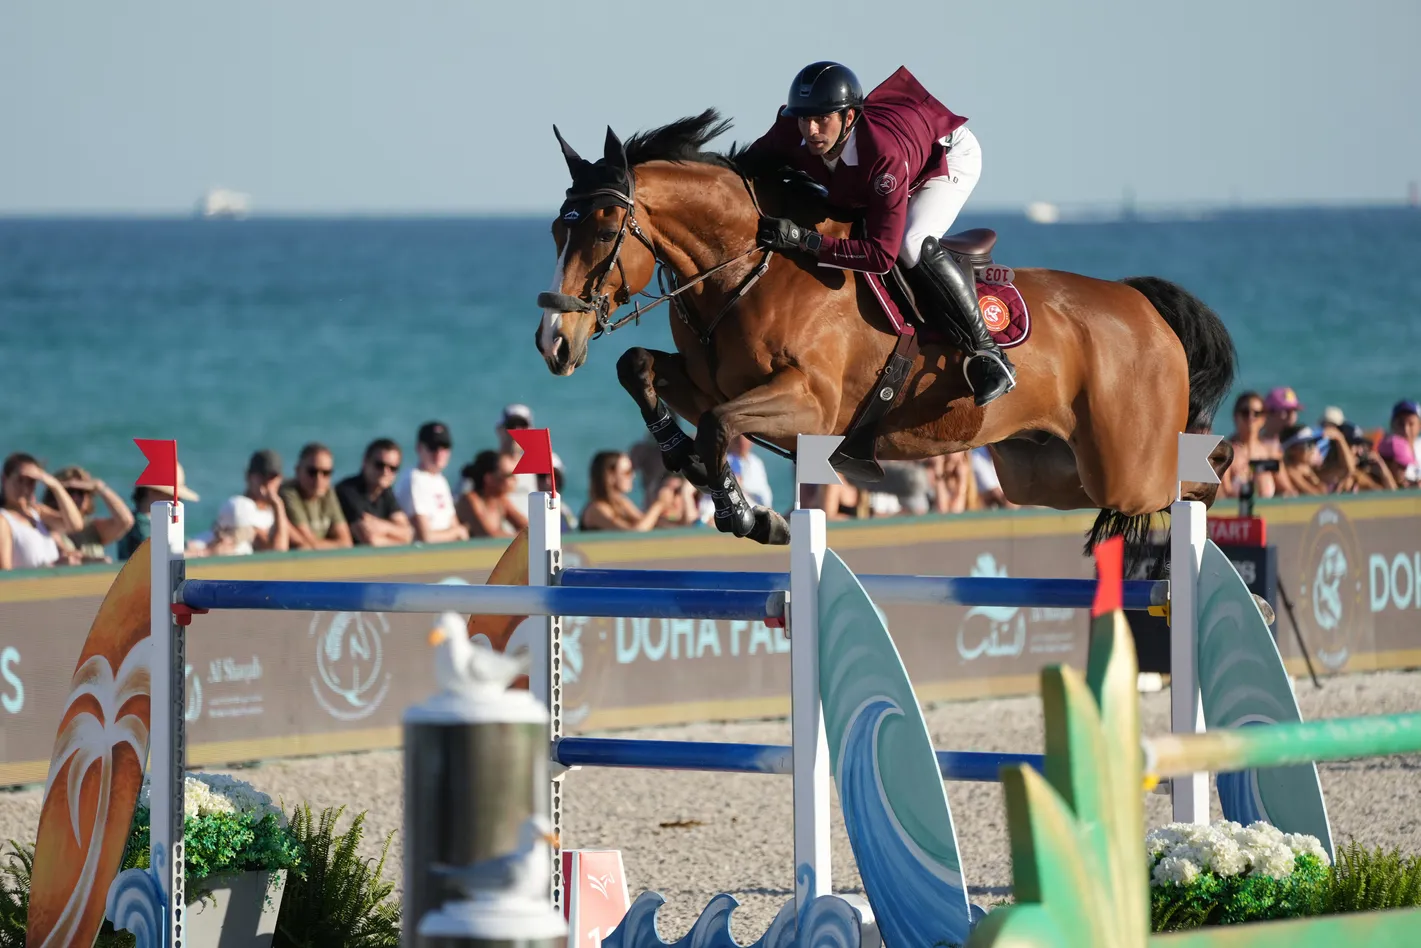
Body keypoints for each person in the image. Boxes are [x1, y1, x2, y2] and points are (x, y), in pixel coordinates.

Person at [743, 61, 1014, 406]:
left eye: (821, 119)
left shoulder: (881, 156)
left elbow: (881, 255)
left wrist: (805, 240)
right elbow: (743, 170)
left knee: (911, 241)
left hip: (948, 154)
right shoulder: (791, 129)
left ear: (849, 118)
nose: (810, 130)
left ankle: (988, 354)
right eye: (804, 118)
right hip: (895, 149)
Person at [0, 453, 86, 569]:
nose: (25, 487)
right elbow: (5, 574)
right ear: (5, 480)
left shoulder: (37, 513)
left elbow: (75, 525)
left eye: (30, 482)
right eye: (20, 480)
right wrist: (53, 566)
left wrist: (55, 486)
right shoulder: (3, 520)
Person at [41, 466, 136, 563]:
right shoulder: (44, 524)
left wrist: (99, 487)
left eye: (81, 492)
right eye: (69, 492)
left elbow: (125, 521)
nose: (76, 497)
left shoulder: (92, 528)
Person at [395, 421, 469, 544]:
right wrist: (457, 532)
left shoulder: (440, 480)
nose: (439, 453)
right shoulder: (414, 479)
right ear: (419, 448)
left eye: (444, 447)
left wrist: (458, 532)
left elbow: (453, 523)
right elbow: (425, 536)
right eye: (432, 447)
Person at [336, 438, 414, 546]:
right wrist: (395, 533)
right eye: (379, 465)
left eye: (393, 468)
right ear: (365, 462)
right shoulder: (348, 491)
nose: (385, 472)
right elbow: (369, 539)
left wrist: (382, 526)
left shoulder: (385, 491)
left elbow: (408, 534)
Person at [579, 450, 679, 531]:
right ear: (610, 476)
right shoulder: (597, 509)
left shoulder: (621, 502)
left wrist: (673, 513)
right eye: (627, 472)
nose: (633, 476)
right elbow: (634, 534)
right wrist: (658, 505)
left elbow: (648, 523)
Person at [280, 442, 353, 551]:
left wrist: (317, 545)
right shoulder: (289, 492)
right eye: (312, 472)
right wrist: (335, 545)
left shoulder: (327, 492)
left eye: (326, 473)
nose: (319, 479)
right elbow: (307, 540)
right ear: (297, 470)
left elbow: (346, 542)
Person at [455, 449, 529, 538]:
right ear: (489, 478)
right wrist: (520, 536)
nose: (515, 480)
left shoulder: (501, 500)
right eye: (509, 475)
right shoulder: (469, 500)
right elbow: (488, 537)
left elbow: (530, 528)